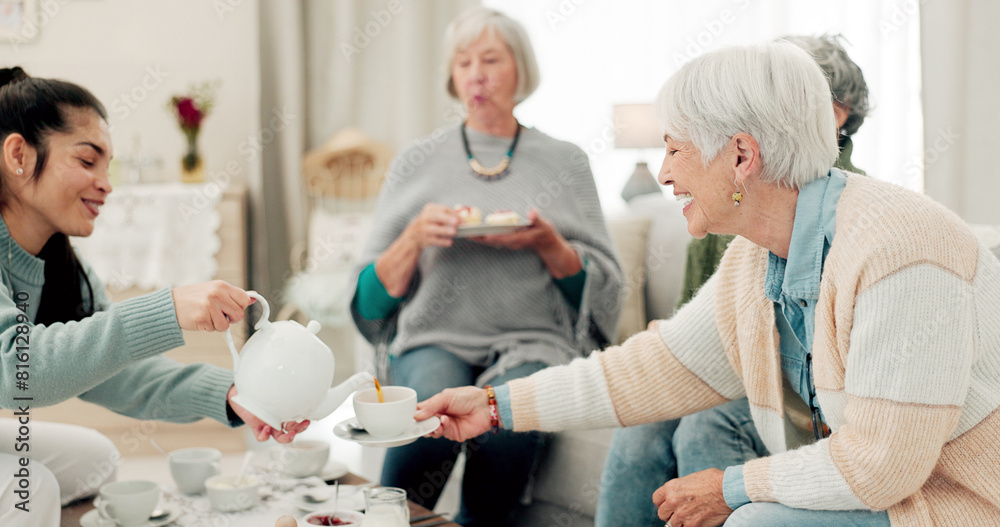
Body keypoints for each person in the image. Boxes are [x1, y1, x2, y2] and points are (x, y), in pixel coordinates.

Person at [414, 42, 1000, 527]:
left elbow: (882, 467)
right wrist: (495, 405)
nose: (665, 173)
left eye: (674, 149)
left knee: (752, 519)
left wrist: (733, 486)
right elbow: (652, 368)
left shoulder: (900, 250)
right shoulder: (756, 260)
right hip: (885, 492)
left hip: (951, 502)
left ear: (742, 155)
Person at [349, 7, 623, 526]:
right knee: (430, 407)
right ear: (452, 77)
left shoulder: (565, 162)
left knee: (505, 419)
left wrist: (548, 243)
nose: (476, 73)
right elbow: (367, 300)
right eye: (463, 61)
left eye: (491, 59)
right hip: (436, 334)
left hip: (533, 339)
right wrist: (412, 238)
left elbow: (605, 290)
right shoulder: (416, 161)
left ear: (521, 70)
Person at [0, 67, 309, 527]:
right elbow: (16, 372)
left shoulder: (62, 262)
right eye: (87, 161)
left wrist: (231, 394)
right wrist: (167, 309)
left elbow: (114, 374)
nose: (106, 183)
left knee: (96, 459)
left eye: (107, 166)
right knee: (31, 487)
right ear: (18, 154)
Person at [597, 34, 873, 527]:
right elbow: (687, 325)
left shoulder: (856, 215)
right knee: (644, 422)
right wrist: (497, 406)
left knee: (706, 422)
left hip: (796, 400)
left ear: (837, 116)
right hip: (729, 372)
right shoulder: (716, 208)